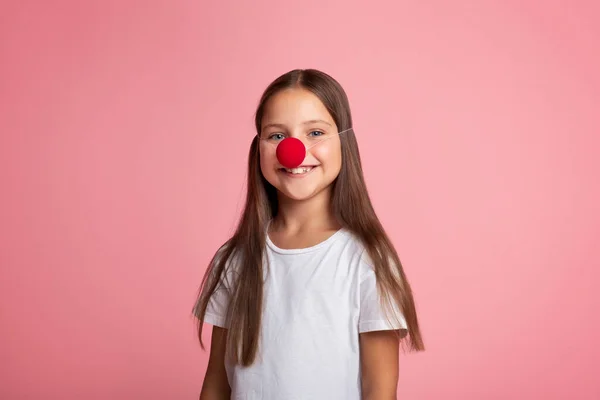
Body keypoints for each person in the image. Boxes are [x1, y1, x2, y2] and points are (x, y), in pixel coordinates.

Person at [192, 68, 424, 399]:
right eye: (276, 136)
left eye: (315, 132)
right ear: (258, 147)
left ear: (344, 142)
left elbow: (380, 392)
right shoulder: (235, 258)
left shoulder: (368, 259)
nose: (294, 150)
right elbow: (216, 383)